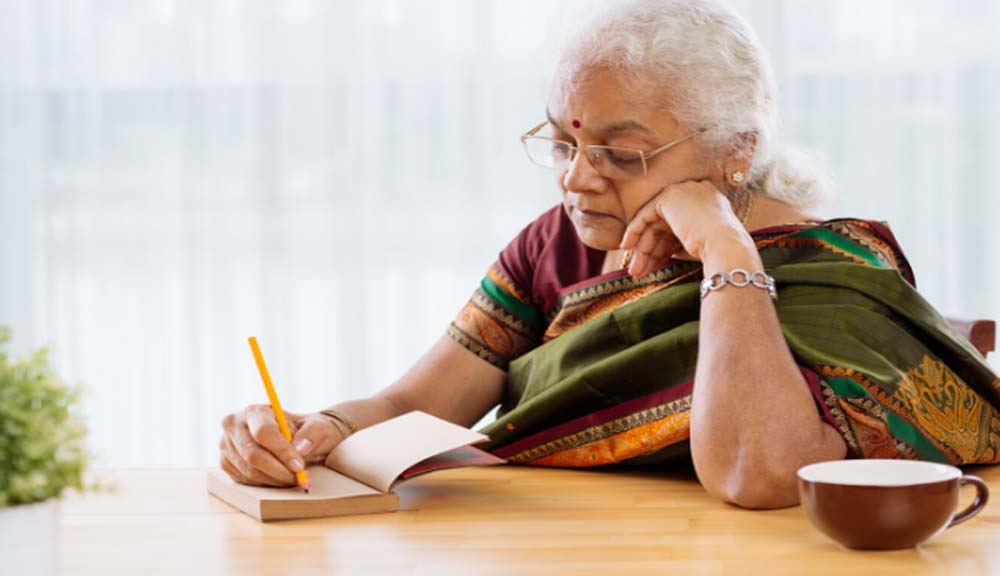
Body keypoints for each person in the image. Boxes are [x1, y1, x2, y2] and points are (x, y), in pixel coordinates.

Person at [219, 0, 1000, 509]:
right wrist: (310, 428)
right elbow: (410, 408)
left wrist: (724, 248)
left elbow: (758, 472)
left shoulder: (830, 271)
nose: (575, 180)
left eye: (621, 155)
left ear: (736, 151)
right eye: (563, 143)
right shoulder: (559, 243)